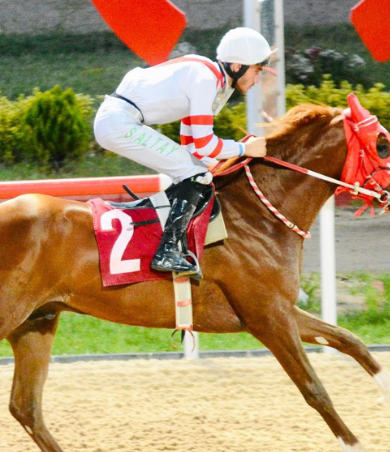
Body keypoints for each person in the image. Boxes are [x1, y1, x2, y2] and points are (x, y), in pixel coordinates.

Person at [93, 27, 271, 276]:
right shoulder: (207, 80)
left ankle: (166, 238)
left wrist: (207, 163)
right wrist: (244, 148)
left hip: (119, 120)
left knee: (194, 171)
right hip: (119, 123)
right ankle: (166, 251)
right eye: (257, 70)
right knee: (195, 173)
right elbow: (205, 143)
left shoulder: (212, 78)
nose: (257, 78)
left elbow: (191, 141)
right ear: (237, 65)